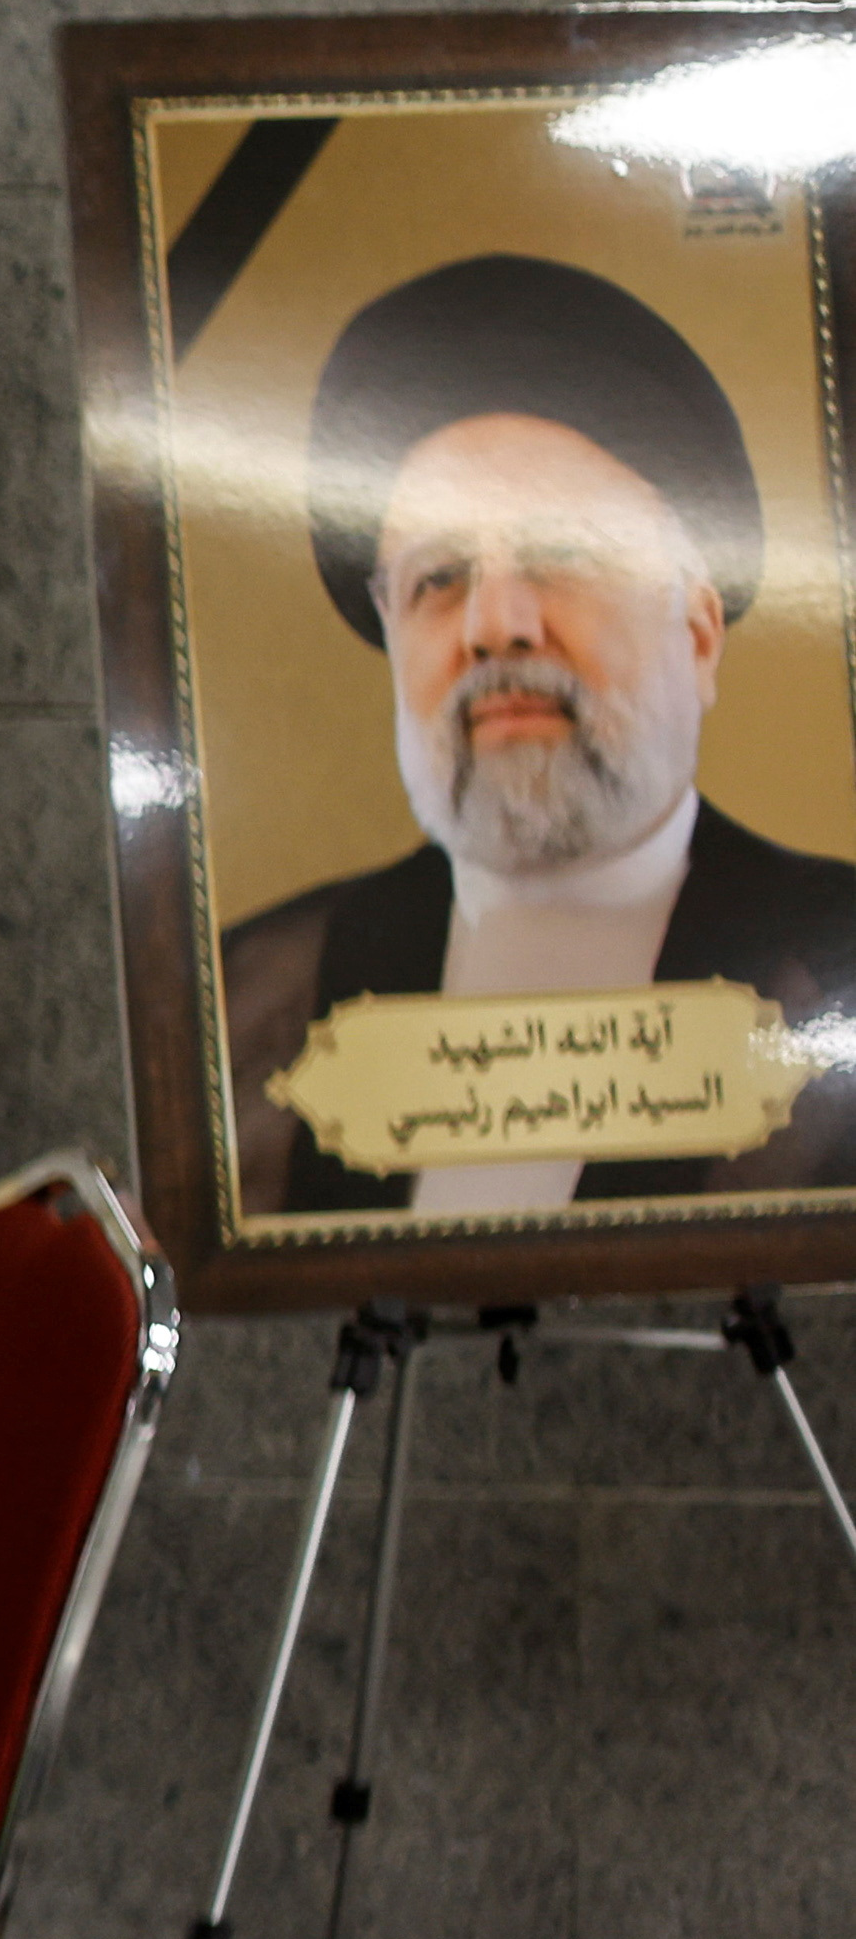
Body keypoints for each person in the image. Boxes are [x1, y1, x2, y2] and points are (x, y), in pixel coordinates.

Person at [220, 253, 856, 1217]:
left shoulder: (839, 950)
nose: (495, 625)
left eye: (562, 556)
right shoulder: (252, 993)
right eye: (439, 578)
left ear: (697, 629)